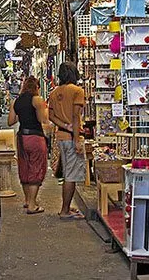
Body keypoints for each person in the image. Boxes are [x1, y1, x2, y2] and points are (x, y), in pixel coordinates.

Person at [48, 62, 86, 220]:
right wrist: (76, 138)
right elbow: (76, 117)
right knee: (71, 175)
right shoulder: (77, 91)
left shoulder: (54, 92)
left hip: (61, 136)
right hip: (71, 138)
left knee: (67, 174)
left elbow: (51, 116)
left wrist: (64, 126)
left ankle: (67, 206)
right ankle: (65, 211)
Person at [8, 76, 49, 214]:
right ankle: (32, 205)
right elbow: (41, 119)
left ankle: (27, 200)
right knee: (36, 168)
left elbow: (11, 121)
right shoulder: (37, 99)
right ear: (36, 86)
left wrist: (23, 114)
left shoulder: (16, 101)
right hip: (35, 136)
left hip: (21, 137)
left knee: (25, 168)